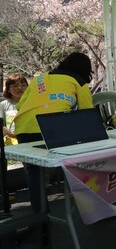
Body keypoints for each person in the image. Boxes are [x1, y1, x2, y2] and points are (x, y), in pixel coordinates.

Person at [14, 52, 94, 213]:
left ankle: (40, 214)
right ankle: (90, 206)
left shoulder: (40, 79)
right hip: (53, 126)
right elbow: (87, 113)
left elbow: (20, 105)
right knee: (75, 165)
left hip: (24, 126)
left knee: (34, 172)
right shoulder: (79, 82)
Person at [1, 73, 28, 146]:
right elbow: (1, 125)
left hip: (29, 140)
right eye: (15, 86)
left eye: (23, 85)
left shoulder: (32, 103)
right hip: (11, 143)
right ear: (8, 89)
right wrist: (12, 135)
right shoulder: (3, 105)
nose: (20, 88)